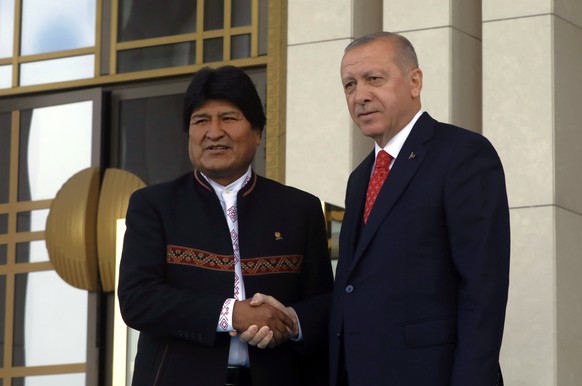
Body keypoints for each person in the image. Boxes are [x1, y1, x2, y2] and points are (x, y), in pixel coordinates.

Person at [117, 65, 334, 386]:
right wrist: (232, 313)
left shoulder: (300, 208)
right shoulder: (154, 205)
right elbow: (138, 299)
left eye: (228, 118)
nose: (214, 131)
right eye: (201, 120)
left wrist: (288, 321)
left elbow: (325, 304)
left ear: (257, 132)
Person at [329, 31, 510, 386]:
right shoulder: (360, 177)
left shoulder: (463, 154)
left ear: (415, 82)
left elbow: (483, 288)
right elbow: (353, 289)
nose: (360, 96)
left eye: (373, 79)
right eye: (349, 85)